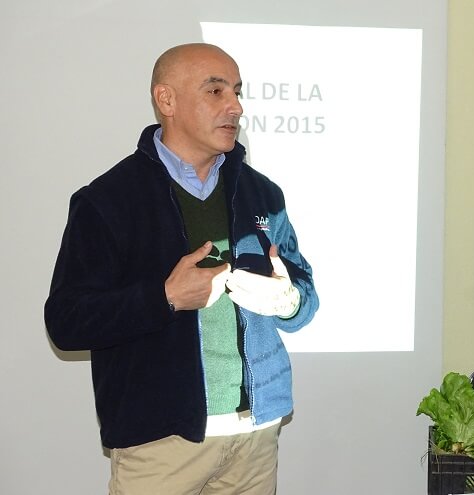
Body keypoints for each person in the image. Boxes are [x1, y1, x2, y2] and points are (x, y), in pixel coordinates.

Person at [44, 43, 319, 494]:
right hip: (161, 443)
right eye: (215, 91)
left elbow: (306, 297)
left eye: (236, 91)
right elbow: (67, 321)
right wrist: (165, 298)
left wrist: (290, 301)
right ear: (166, 100)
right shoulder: (107, 201)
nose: (235, 106)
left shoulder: (262, 194)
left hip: (256, 436)